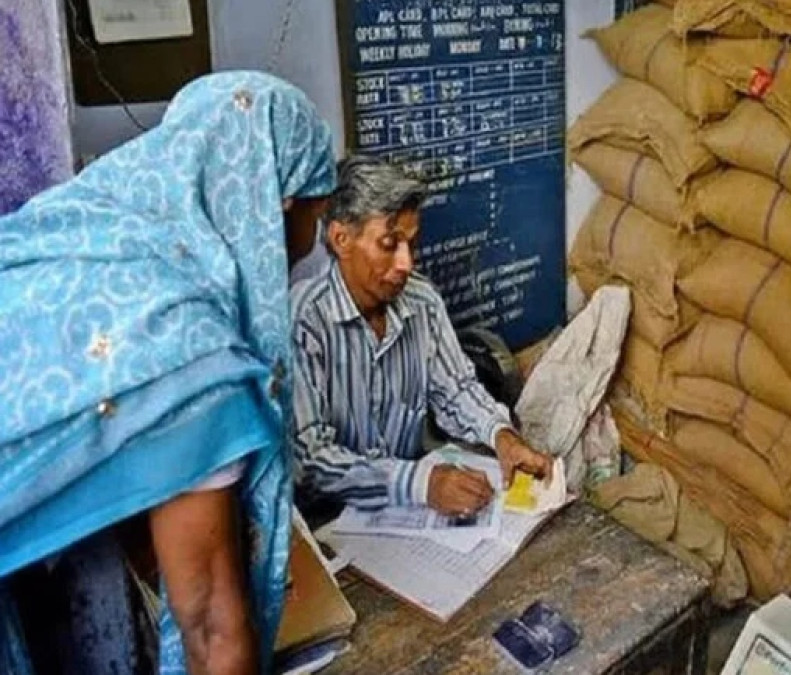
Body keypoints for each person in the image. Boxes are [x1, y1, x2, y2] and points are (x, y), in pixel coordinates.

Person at [0, 71, 337, 675]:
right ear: (276, 203)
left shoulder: (72, 234)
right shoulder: (184, 349)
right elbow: (211, 630)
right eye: (319, 214)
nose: (310, 245)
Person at [290, 156, 551, 518]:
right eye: (389, 244)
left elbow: (456, 390)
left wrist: (501, 436)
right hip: (325, 522)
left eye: (411, 245)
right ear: (341, 239)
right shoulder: (303, 319)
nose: (406, 264)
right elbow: (310, 458)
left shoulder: (421, 300)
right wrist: (420, 483)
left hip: (403, 515)